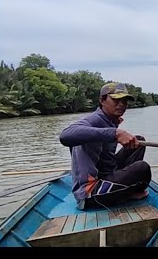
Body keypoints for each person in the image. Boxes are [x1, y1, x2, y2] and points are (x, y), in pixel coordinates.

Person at [59, 82, 152, 210]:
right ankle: (125, 193)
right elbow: (65, 135)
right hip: (90, 194)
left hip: (105, 174)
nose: (121, 104)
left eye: (124, 101)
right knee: (142, 168)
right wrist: (115, 133)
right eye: (116, 100)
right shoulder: (95, 119)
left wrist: (115, 131)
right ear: (102, 100)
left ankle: (123, 189)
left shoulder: (111, 120)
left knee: (138, 142)